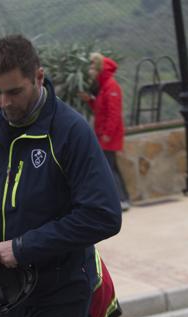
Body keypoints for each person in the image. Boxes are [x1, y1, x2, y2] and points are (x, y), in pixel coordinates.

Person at [0, 35, 122, 317]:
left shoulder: (70, 131)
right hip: (2, 290)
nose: (5, 103)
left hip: (61, 290)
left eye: (15, 91)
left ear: (38, 77)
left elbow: (104, 215)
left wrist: (23, 247)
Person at [79, 52, 131, 211]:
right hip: (104, 135)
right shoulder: (104, 87)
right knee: (112, 167)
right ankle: (124, 198)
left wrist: (107, 134)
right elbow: (100, 110)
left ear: (100, 68)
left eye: (93, 67)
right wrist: (90, 101)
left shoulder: (111, 86)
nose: (91, 70)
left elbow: (114, 113)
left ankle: (121, 200)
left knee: (109, 168)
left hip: (108, 136)